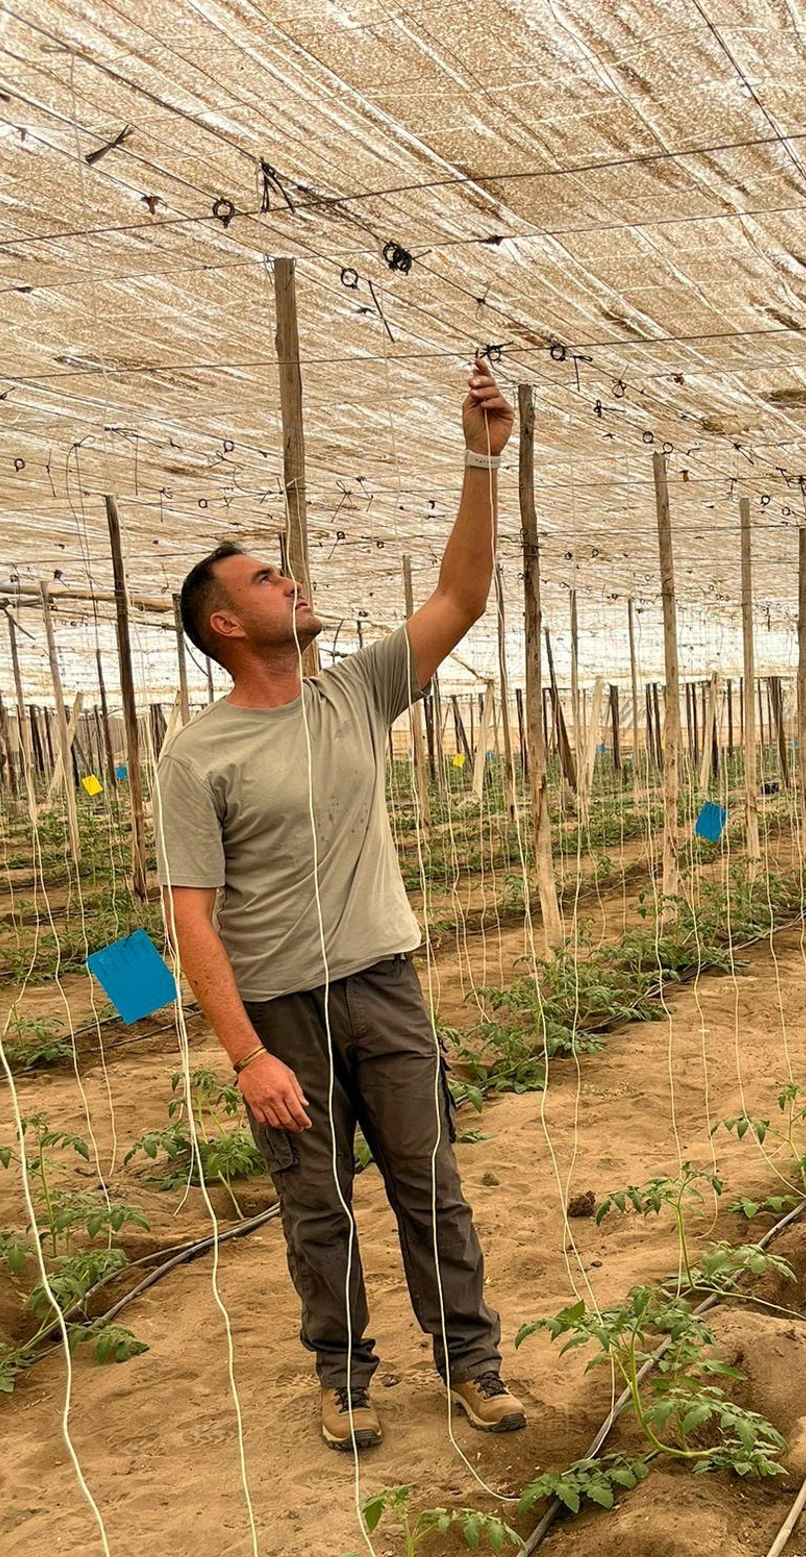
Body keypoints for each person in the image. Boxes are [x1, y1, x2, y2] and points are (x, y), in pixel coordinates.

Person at [154, 357, 525, 1455]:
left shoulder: (354, 692)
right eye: (266, 580)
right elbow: (188, 917)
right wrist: (243, 1055)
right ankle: (344, 1378)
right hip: (277, 1013)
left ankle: (473, 1365)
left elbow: (461, 596)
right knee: (316, 1207)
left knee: (430, 1185)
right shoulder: (196, 754)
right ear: (225, 625)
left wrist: (478, 459)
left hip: (384, 985)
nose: (291, 584)